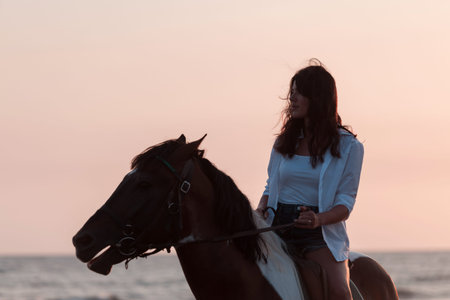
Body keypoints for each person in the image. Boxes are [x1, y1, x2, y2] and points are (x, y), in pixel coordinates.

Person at [256, 59, 364, 299]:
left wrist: (317, 219)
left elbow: (345, 203)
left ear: (317, 97)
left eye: (298, 93)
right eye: (291, 93)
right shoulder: (283, 142)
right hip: (277, 226)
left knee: (339, 292)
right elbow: (270, 185)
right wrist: (262, 207)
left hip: (318, 234)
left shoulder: (349, 146)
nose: (291, 99)